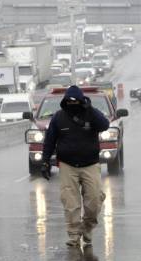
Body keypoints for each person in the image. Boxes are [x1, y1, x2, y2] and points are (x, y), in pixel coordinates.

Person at [40, 85, 109, 247]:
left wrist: (89, 109)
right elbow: (49, 141)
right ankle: (73, 235)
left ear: (82, 101)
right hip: (67, 165)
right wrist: (45, 162)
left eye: (76, 101)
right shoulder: (58, 118)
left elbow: (104, 125)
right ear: (64, 102)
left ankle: (87, 228)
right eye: (69, 101)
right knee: (70, 204)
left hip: (90, 164)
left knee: (94, 200)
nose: (73, 104)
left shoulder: (90, 114)